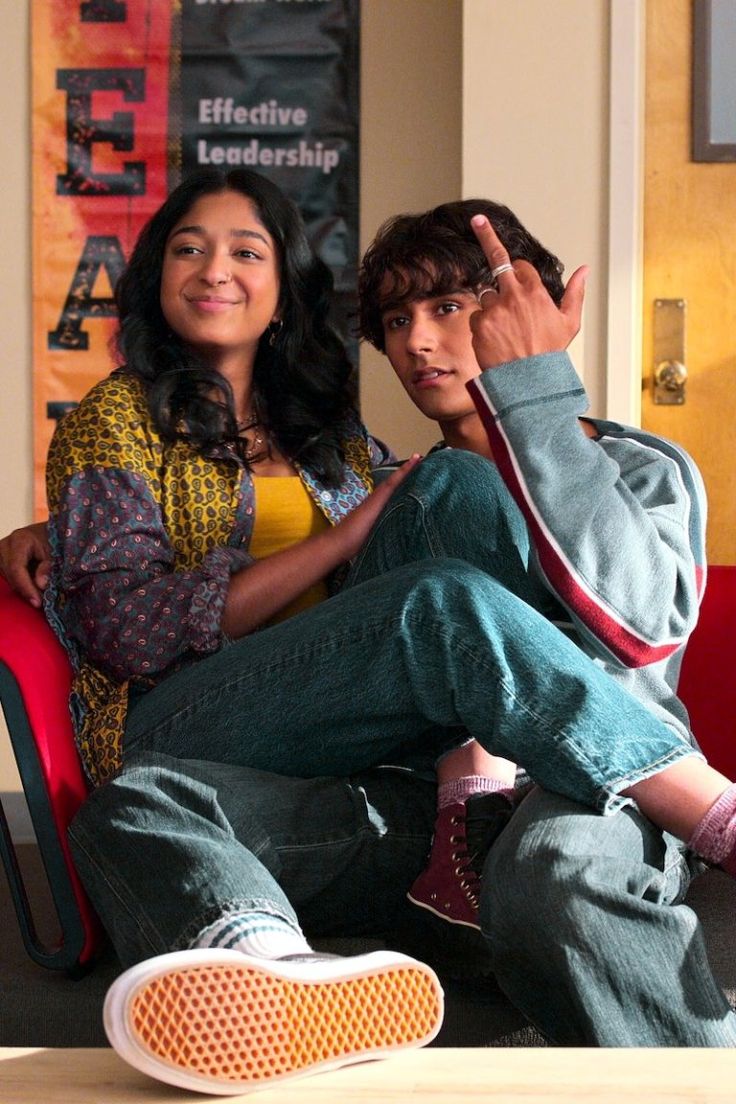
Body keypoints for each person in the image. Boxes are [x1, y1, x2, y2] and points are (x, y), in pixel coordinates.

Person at [2, 176, 736, 1079]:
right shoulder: (134, 424)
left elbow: (642, 631)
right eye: (396, 320)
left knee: (556, 868)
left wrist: (535, 393)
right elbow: (352, 589)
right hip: (322, 749)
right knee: (141, 796)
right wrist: (57, 537)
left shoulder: (356, 443)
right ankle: (282, 974)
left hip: (546, 784)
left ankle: (284, 963)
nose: (420, 339)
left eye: (451, 306)